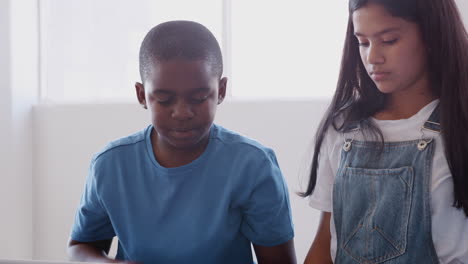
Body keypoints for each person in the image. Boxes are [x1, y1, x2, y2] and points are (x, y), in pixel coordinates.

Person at [67, 20, 296, 264]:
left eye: (198, 98)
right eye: (164, 100)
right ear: (142, 95)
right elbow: (81, 246)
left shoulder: (253, 166)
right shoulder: (110, 165)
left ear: (221, 90)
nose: (182, 112)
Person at [301, 0, 468, 263]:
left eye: (389, 40)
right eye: (363, 42)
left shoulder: (459, 128)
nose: (372, 58)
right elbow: (324, 244)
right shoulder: (343, 127)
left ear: (432, 35)